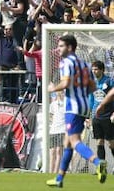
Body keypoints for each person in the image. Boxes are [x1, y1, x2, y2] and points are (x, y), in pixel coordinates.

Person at [47, 34, 107, 187]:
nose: (58, 49)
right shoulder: (85, 64)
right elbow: (93, 87)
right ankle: (59, 179)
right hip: (84, 105)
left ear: (69, 47)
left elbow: (65, 83)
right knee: (67, 142)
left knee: (74, 141)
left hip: (72, 107)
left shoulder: (66, 62)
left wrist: (53, 88)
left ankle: (98, 162)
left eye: (61, 46)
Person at [89, 60, 114, 162]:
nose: (94, 71)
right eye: (93, 69)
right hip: (96, 116)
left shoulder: (109, 81)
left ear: (102, 70)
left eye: (96, 69)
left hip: (108, 116)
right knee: (99, 141)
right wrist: (91, 116)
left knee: (111, 143)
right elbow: (91, 100)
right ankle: (101, 167)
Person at [49, 92, 65, 173]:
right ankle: (50, 171)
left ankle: (55, 171)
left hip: (62, 130)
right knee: (52, 152)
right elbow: (51, 116)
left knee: (59, 151)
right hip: (53, 130)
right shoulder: (53, 104)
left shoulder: (66, 104)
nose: (61, 94)